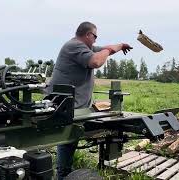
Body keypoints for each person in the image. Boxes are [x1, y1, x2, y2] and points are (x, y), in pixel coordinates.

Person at [45, 21, 132, 180]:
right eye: (95, 36)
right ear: (87, 35)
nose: (96, 40)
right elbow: (96, 61)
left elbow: (103, 50)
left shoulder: (84, 48)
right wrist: (109, 49)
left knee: (69, 140)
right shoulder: (74, 46)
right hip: (65, 106)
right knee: (67, 139)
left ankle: (64, 172)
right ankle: (63, 174)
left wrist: (119, 46)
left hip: (75, 106)